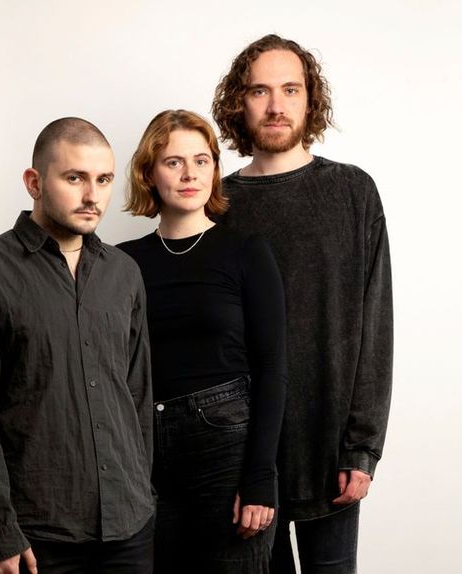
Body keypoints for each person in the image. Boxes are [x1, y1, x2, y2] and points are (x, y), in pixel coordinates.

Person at [212, 34, 394, 574]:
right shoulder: (216, 204)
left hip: (330, 452)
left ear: (310, 99)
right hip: (244, 459)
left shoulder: (352, 191)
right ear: (239, 103)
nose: (276, 105)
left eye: (290, 89)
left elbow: (376, 325)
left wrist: (362, 447)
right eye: (260, 91)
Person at [0, 117, 154, 574]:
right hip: (36, 537)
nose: (92, 195)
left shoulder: (124, 273)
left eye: (103, 179)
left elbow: (137, 395)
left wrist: (144, 494)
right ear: (34, 183)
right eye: (75, 178)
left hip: (129, 527)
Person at [118, 109, 287, 574]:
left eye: (201, 160)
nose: (189, 174)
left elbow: (273, 368)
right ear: (149, 173)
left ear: (214, 170)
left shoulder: (245, 251)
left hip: (227, 448)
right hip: (146, 453)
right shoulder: (122, 263)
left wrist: (260, 477)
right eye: (173, 162)